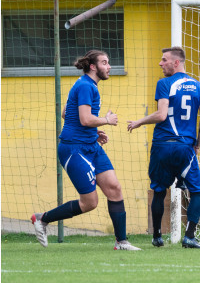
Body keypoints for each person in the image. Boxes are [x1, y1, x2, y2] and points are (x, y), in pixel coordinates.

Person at [31, 50, 140, 250]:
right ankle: (42, 219)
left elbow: (67, 113)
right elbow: (84, 119)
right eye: (105, 63)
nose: (109, 67)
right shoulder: (85, 86)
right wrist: (106, 121)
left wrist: (93, 131)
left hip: (91, 145)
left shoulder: (87, 85)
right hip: (73, 149)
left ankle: (121, 242)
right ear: (93, 66)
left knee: (114, 189)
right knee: (90, 202)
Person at [128, 47, 200, 249]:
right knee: (196, 191)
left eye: (164, 60)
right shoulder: (199, 86)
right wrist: (197, 144)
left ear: (176, 62)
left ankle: (156, 236)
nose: (160, 63)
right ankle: (189, 236)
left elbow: (161, 115)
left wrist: (139, 122)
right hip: (185, 147)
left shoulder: (164, 84)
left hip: (162, 145)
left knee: (158, 190)